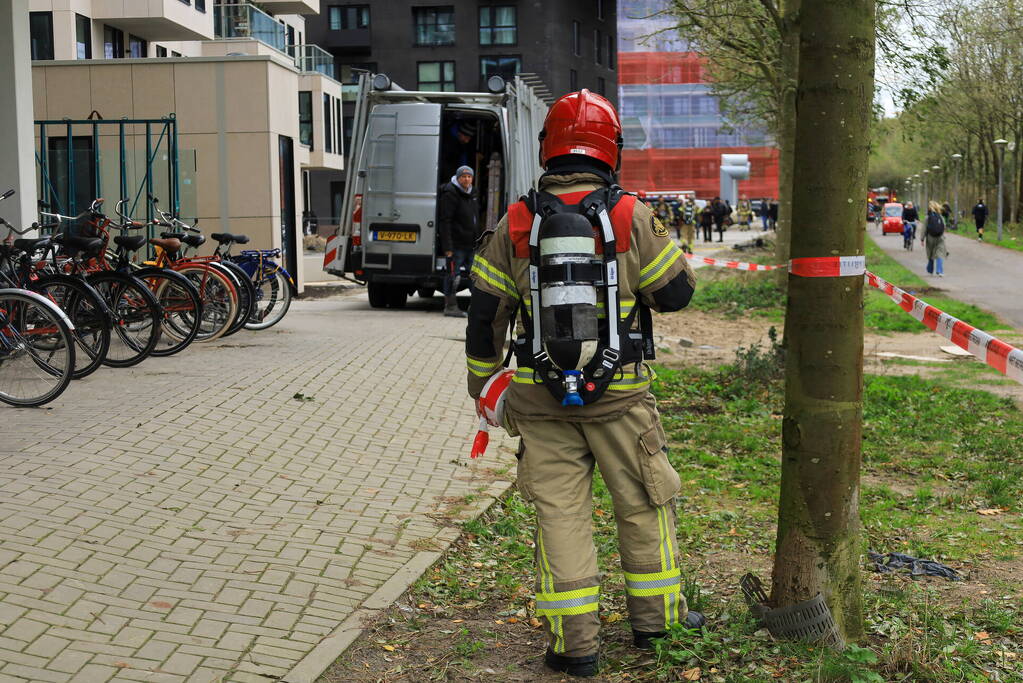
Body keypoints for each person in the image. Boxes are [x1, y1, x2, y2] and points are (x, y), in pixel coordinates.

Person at [465, 89, 703, 678]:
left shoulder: (515, 219)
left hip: (538, 399)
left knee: (559, 517)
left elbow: (484, 315)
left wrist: (482, 387)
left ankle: (576, 645)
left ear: (548, 148)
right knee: (645, 504)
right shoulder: (628, 213)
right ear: (611, 149)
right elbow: (675, 294)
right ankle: (659, 623)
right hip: (621, 397)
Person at [438, 165, 479, 317]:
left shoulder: (472, 193)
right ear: (458, 177)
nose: (467, 179)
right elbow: (445, 222)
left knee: (475, 276)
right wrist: (448, 247)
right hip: (456, 245)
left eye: (469, 177)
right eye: (464, 176)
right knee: (452, 276)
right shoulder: (450, 193)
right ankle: (450, 307)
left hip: (471, 244)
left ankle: (475, 308)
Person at [922, 201, 947, 277]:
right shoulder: (941, 217)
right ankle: (939, 271)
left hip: (930, 238)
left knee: (930, 253)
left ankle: (930, 269)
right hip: (940, 238)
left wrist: (922, 239)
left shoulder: (927, 217)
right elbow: (944, 227)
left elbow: (924, 229)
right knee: (940, 254)